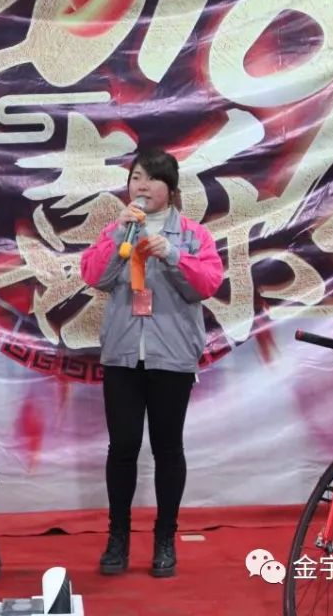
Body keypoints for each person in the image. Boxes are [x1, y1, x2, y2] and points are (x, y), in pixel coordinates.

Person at [79, 148, 223, 578]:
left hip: (172, 357)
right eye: (136, 178)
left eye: (152, 179)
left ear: (171, 189)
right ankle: (118, 538)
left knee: (167, 448)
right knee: (122, 448)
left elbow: (208, 284)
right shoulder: (117, 229)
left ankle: (165, 539)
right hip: (123, 356)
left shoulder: (193, 235)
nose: (141, 186)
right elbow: (94, 276)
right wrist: (116, 237)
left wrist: (173, 255)